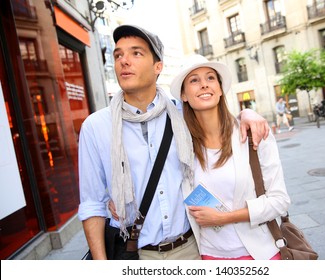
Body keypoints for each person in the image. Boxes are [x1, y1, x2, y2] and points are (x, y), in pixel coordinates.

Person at [78, 24, 269, 260]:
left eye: (136, 53)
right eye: (118, 55)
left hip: (191, 248)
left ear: (158, 66)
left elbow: (217, 120)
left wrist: (246, 114)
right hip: (135, 253)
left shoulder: (182, 114)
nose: (124, 61)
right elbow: (92, 205)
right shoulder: (95, 127)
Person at [169, 54, 291, 260]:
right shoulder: (180, 146)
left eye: (210, 78)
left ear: (219, 88)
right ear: (184, 95)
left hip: (259, 253)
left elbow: (280, 201)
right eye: (194, 80)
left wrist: (224, 218)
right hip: (209, 255)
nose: (204, 85)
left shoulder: (253, 134)